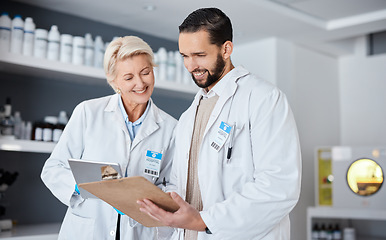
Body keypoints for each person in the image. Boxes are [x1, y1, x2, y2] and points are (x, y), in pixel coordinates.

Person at [137, 7, 302, 240]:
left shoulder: (263, 99)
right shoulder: (188, 116)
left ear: (226, 49)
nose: (190, 65)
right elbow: (181, 183)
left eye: (199, 55)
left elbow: (278, 188)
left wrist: (204, 220)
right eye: (184, 56)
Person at [41, 36, 177, 240]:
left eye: (145, 73)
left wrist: (149, 199)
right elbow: (52, 168)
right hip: (88, 229)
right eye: (129, 77)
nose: (140, 83)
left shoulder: (170, 127)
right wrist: (82, 186)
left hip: (138, 230)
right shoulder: (88, 112)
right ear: (114, 81)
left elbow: (172, 183)